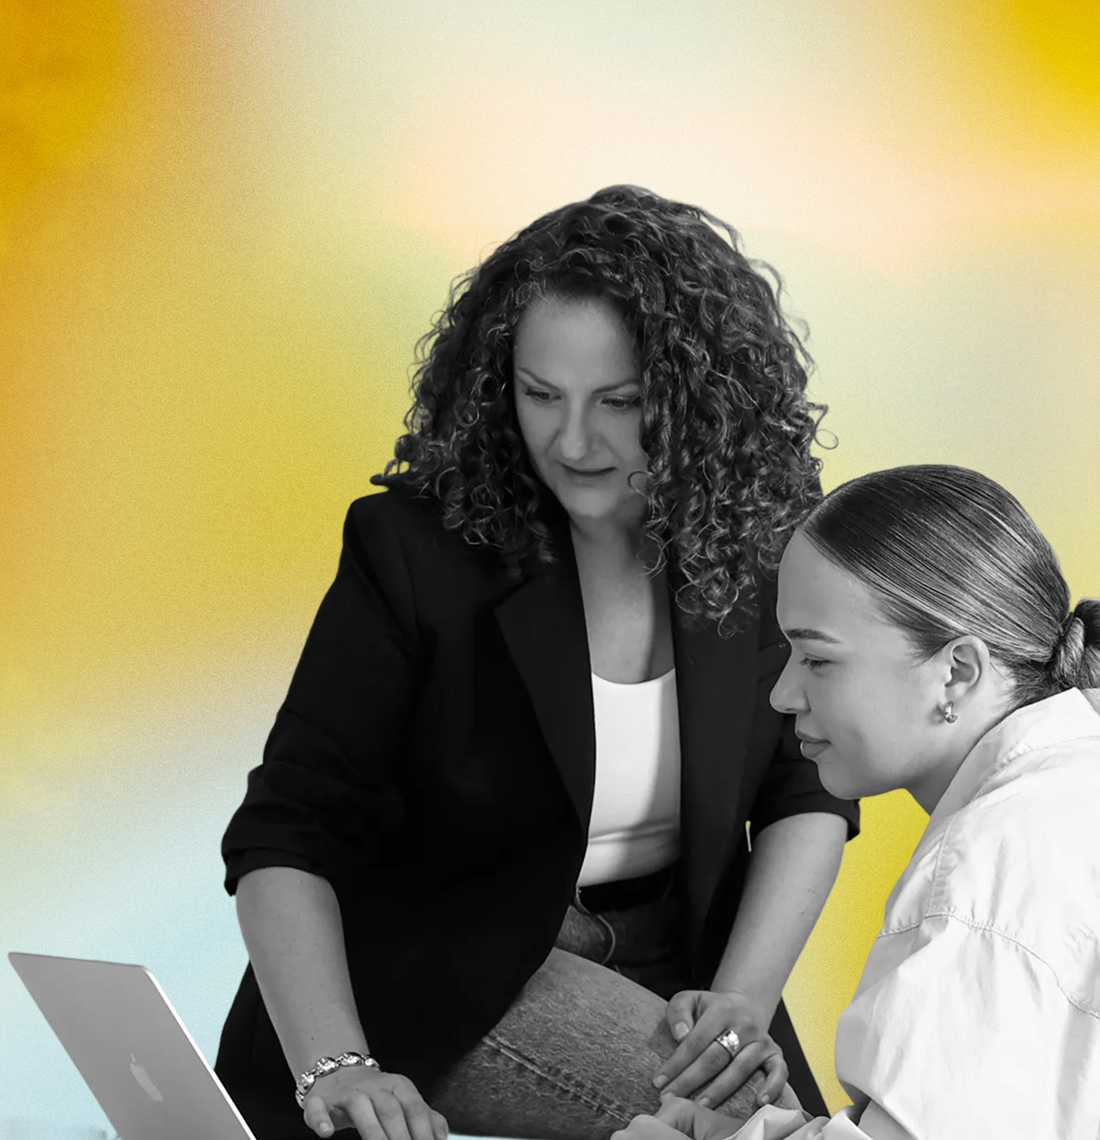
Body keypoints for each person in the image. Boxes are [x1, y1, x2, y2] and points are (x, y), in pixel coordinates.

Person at [214, 185, 860, 1140]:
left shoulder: (759, 545)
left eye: (620, 402)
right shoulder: (412, 550)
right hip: (447, 969)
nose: (572, 441)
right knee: (763, 1134)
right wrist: (335, 1064)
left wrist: (742, 1001)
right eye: (540, 394)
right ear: (496, 383)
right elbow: (285, 834)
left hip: (680, 962)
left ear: (699, 403)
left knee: (793, 1128)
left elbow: (804, 789)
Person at [614, 464, 1100, 1140]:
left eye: (817, 660)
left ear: (956, 672)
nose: (782, 694)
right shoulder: (1063, 789)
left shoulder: (983, 876)